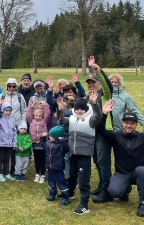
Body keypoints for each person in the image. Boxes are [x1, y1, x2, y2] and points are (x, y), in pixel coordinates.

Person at [59, 90, 102, 215]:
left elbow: (99, 116)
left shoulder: (90, 120)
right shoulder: (72, 118)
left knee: (83, 181)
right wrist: (60, 110)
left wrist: (94, 103)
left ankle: (84, 205)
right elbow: (61, 120)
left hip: (84, 156)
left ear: (86, 109)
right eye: (77, 108)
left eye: (82, 109)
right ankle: (70, 193)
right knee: (71, 176)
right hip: (74, 153)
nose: (79, 111)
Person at [99, 100, 144, 217]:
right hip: (122, 173)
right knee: (114, 192)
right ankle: (125, 189)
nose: (129, 126)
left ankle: (143, 203)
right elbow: (100, 130)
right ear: (122, 123)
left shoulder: (141, 138)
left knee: (142, 171)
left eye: (132, 123)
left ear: (136, 125)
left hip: (138, 172)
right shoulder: (116, 136)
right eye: (126, 123)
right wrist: (104, 114)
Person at [87, 56, 113, 204]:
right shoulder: (87, 98)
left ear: (98, 84)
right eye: (89, 83)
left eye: (93, 82)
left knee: (103, 162)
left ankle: (106, 191)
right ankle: (102, 184)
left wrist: (99, 71)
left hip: (103, 133)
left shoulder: (105, 95)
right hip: (92, 134)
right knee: (96, 160)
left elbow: (108, 86)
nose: (91, 85)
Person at [0, 78, 27, 176]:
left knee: (14, 148)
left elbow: (24, 111)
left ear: (16, 87)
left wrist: (23, 124)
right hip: (4, 126)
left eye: (13, 86)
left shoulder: (20, 97)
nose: (11, 88)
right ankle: (2, 169)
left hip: (17, 124)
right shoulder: (2, 96)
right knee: (4, 148)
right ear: (7, 86)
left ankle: (13, 169)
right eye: (9, 86)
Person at [41, 125, 70, 206]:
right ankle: (52, 194)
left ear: (57, 137)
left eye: (51, 136)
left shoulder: (60, 146)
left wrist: (63, 141)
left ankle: (66, 197)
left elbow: (66, 149)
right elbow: (42, 144)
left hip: (58, 168)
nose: (49, 137)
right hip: (50, 168)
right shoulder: (48, 143)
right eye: (49, 135)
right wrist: (42, 137)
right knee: (51, 182)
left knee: (61, 183)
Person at [26, 101, 51, 183]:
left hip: (42, 143)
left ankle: (43, 174)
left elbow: (47, 113)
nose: (38, 117)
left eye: (40, 116)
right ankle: (37, 174)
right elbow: (28, 114)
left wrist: (44, 106)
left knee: (42, 159)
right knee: (36, 159)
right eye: (36, 115)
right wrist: (31, 107)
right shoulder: (31, 121)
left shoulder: (44, 121)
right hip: (34, 143)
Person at [0, 102, 17, 182]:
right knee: (1, 159)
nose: (8, 112)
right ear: (3, 111)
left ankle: (6, 173)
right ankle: (0, 173)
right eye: (6, 110)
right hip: (1, 144)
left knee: (7, 159)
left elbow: (14, 132)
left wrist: (14, 143)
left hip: (9, 144)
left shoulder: (12, 120)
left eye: (9, 111)